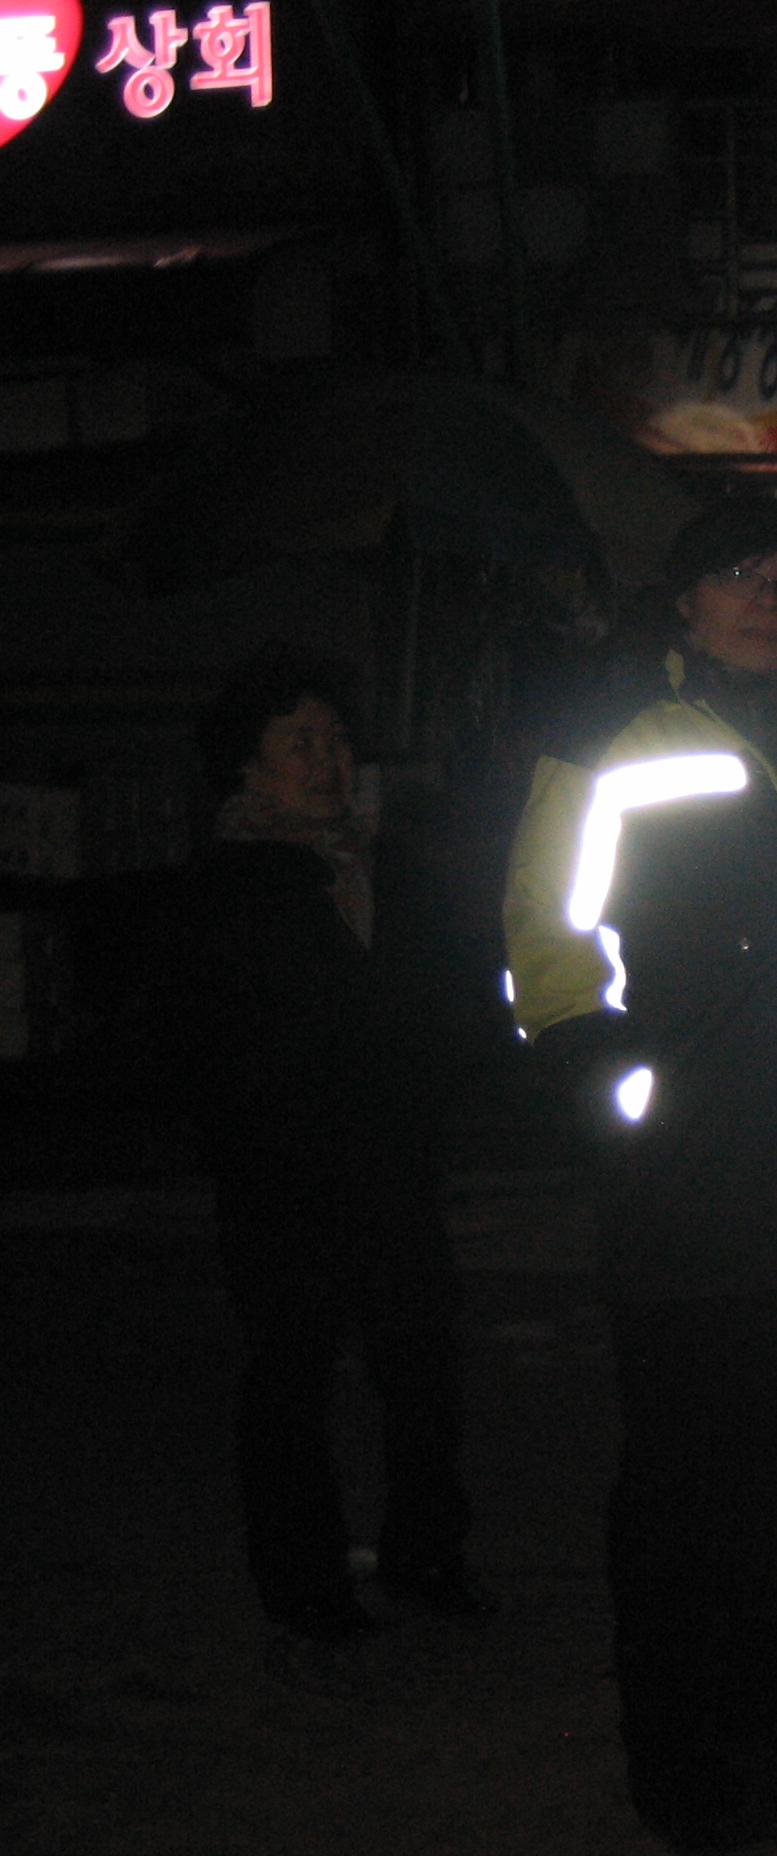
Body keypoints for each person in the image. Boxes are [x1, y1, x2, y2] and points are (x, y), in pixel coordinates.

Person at [503, 504, 777, 1854]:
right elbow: (545, 936)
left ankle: (761, 1731)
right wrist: (618, 1094)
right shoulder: (614, 743)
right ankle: (679, 1759)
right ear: (683, 603)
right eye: (743, 577)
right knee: (686, 1485)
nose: (771, 601)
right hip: (683, 1172)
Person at [183, 653, 479, 1642]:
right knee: (291, 1380)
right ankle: (304, 1583)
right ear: (249, 766)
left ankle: (427, 1556)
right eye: (300, 744)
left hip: (392, 1168)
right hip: (285, 1179)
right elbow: (211, 1042)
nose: (327, 763)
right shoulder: (228, 887)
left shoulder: (386, 869)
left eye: (337, 742)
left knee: (423, 1369)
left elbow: (444, 1002)